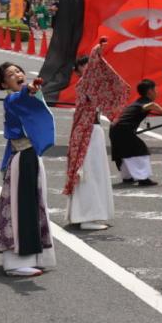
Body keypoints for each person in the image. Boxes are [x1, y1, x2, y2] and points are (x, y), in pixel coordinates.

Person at [0, 61, 57, 277]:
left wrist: (33, 91)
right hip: (23, 158)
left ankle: (36, 257)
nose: (17, 74)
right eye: (11, 74)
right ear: (3, 84)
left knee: (34, 206)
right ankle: (17, 263)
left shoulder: (28, 96)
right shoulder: (12, 99)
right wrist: (29, 89)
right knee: (23, 208)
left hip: (31, 156)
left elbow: (32, 101)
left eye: (19, 71)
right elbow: (21, 97)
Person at [62, 44, 130, 231]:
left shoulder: (94, 86)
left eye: (90, 64)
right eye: (83, 65)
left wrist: (98, 57)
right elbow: (97, 77)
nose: (89, 67)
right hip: (87, 132)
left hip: (92, 131)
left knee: (93, 172)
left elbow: (115, 83)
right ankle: (87, 216)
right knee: (88, 173)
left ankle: (82, 214)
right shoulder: (85, 84)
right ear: (77, 72)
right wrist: (95, 53)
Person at [110, 79, 162, 186]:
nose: (156, 92)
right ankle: (143, 178)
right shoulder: (148, 104)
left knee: (123, 152)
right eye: (155, 90)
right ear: (150, 91)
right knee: (140, 150)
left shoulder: (137, 102)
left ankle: (128, 177)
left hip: (115, 129)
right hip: (123, 129)